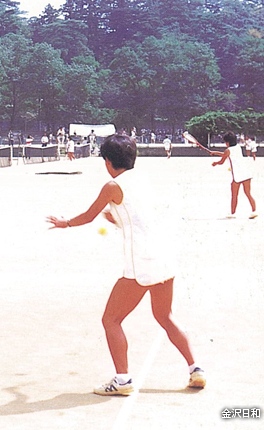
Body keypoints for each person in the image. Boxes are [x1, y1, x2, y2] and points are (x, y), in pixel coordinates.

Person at [46, 133, 205, 396]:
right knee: (165, 316)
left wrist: (65, 223)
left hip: (141, 261)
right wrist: (119, 218)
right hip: (165, 255)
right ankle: (195, 368)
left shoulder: (111, 186)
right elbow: (138, 215)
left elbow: (88, 216)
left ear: (107, 162)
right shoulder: (142, 178)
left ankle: (122, 381)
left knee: (111, 319)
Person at [210, 131, 257, 219]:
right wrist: (215, 153)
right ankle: (254, 211)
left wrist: (215, 163)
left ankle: (232, 214)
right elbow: (227, 155)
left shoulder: (228, 150)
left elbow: (222, 161)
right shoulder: (237, 147)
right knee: (248, 193)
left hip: (238, 175)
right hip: (246, 172)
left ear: (227, 142)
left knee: (234, 195)